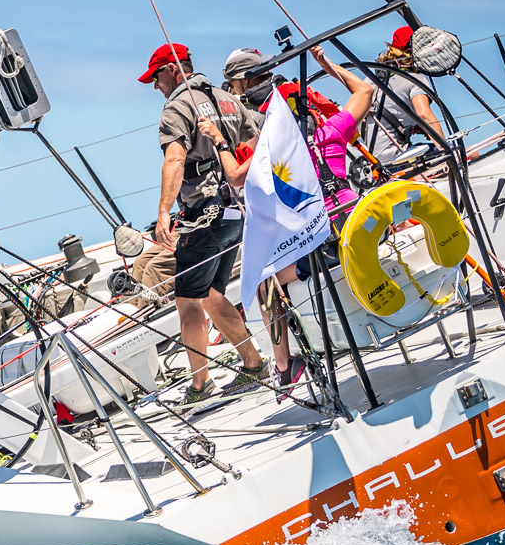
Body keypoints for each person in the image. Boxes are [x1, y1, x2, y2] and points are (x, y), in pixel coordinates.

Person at [204, 45, 377, 392]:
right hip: (361, 226)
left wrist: (219, 140)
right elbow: (365, 91)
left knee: (266, 279)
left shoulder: (275, 151)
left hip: (328, 242)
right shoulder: (331, 133)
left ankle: (284, 365)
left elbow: (237, 177)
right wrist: (327, 65)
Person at [145, 42, 269, 405]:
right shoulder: (226, 99)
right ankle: (253, 363)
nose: (155, 86)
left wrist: (164, 212)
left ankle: (200, 386)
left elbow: (175, 158)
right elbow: (261, 139)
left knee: (188, 304)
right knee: (213, 295)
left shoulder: (176, 107)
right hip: (234, 213)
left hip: (204, 215)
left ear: (171, 68)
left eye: (156, 77)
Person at [363, 25, 446, 159]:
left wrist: (412, 128)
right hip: (398, 158)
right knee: (468, 155)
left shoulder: (372, 79)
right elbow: (424, 114)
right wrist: (445, 150)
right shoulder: (415, 79)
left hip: (373, 162)